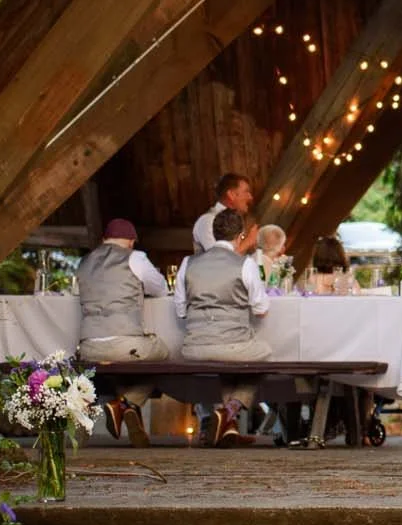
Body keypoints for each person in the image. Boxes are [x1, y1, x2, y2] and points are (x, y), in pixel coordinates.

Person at [174, 208, 272, 446]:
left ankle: (229, 430)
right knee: (264, 355)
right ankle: (229, 410)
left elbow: (180, 310)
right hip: (232, 343)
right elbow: (261, 309)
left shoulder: (188, 263)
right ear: (240, 236)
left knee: (232, 365)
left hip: (194, 347)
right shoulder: (245, 264)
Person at [75, 218, 167, 446]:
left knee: (118, 365)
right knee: (163, 354)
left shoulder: (85, 262)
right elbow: (160, 288)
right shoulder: (135, 258)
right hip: (124, 342)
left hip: (88, 346)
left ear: (104, 239)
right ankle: (126, 403)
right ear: (131, 241)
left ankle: (125, 407)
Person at [193, 173, 255, 253]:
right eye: (246, 192)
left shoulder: (238, 221)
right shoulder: (207, 221)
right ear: (231, 195)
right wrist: (248, 242)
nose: (250, 197)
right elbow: (218, 259)